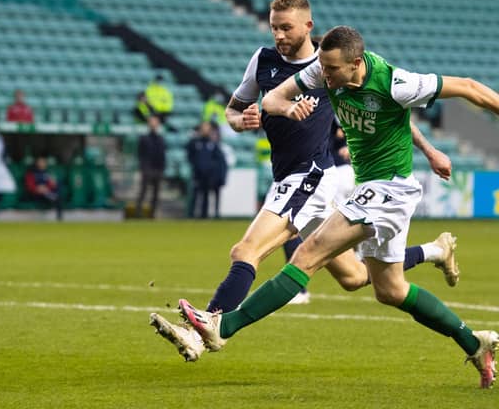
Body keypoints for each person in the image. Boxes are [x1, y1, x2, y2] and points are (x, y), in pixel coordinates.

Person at [175, 25, 499, 388]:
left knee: (308, 253)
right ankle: (476, 343)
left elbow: (469, 87)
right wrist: (287, 107)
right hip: (371, 187)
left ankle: (224, 327)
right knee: (389, 290)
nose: (323, 76)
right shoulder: (323, 72)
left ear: (356, 64)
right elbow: (273, 100)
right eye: (322, 69)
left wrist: (431, 150)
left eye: (331, 70)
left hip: (390, 189)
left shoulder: (397, 82)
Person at [150, 0, 457, 362]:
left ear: (308, 27)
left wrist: (428, 150)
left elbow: (389, 112)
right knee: (355, 277)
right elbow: (234, 110)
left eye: (287, 28)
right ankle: (435, 250)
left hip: (310, 176)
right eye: (274, 27)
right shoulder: (262, 61)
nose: (279, 35)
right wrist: (242, 121)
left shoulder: (330, 66)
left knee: (246, 251)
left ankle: (204, 329)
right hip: (286, 178)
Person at [186, 121, 226, 218]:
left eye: (207, 128)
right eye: (204, 127)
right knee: (195, 195)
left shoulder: (212, 143)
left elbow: (217, 159)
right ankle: (191, 215)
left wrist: (212, 169)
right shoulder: (195, 142)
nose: (205, 130)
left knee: (205, 195)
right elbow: (190, 155)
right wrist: (195, 166)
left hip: (208, 174)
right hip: (197, 173)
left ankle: (204, 216)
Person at [135, 115, 166, 218]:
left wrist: (162, 168)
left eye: (155, 122)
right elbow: (140, 155)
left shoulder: (161, 139)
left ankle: (152, 214)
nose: (153, 124)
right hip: (147, 169)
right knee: (143, 192)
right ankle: (138, 213)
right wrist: (143, 168)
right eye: (152, 122)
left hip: (158, 169)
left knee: (155, 194)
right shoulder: (144, 138)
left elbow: (162, 155)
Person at [24, 156, 63, 221]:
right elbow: (30, 186)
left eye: (43, 162)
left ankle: (59, 218)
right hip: (34, 194)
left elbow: (52, 184)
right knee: (52, 196)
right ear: (37, 163)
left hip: (46, 193)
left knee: (57, 197)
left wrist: (49, 186)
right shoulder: (31, 173)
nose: (42, 164)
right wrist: (37, 188)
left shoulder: (47, 173)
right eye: (40, 162)